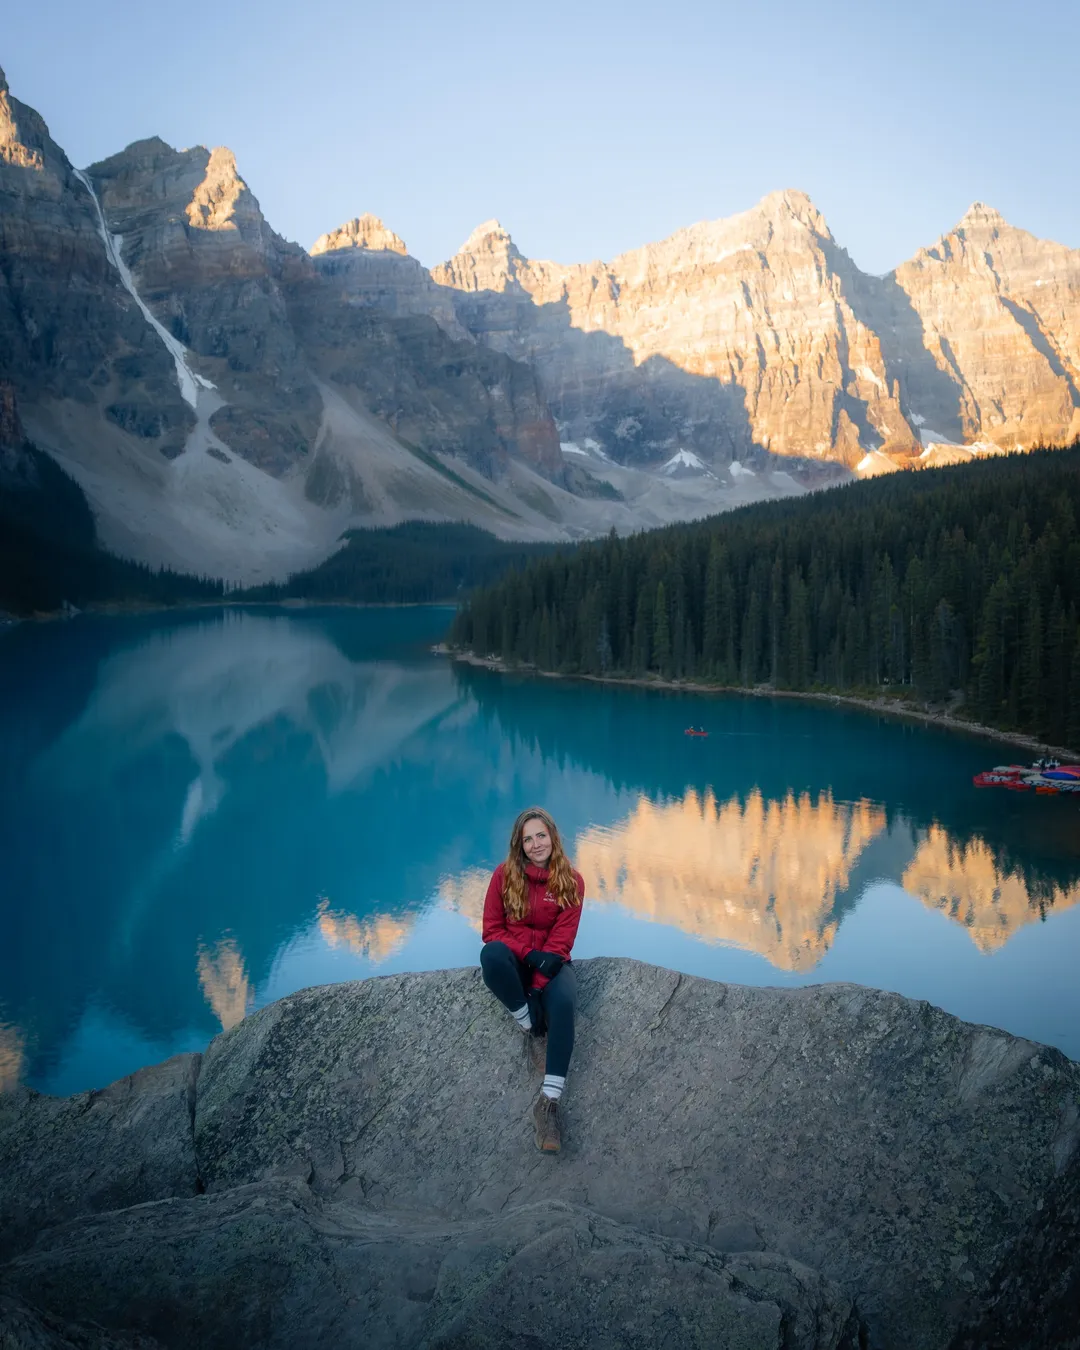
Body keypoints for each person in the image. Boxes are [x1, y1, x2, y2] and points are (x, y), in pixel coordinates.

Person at [480, 806, 585, 1154]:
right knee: (491, 956)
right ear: (519, 845)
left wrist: (538, 988)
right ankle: (528, 1026)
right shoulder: (502, 876)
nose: (536, 844)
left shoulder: (571, 881)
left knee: (565, 1003)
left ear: (553, 837)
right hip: (518, 959)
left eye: (541, 835)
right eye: (528, 839)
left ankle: (549, 1104)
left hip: (553, 964)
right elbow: (492, 932)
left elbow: (561, 941)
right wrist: (527, 956)